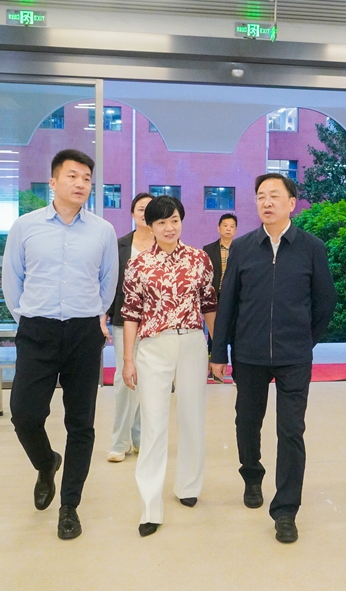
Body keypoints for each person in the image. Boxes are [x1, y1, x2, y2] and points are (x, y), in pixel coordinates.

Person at [210, 173, 337, 544]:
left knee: (291, 431)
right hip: (249, 353)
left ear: (291, 203)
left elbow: (325, 301)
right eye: (261, 196)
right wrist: (219, 351)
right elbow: (228, 302)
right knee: (247, 422)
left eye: (274, 196)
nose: (266, 202)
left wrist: (305, 340)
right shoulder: (243, 247)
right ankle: (252, 475)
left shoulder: (311, 247)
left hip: (294, 355)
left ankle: (285, 510)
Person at [2, 148, 118, 540]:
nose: (81, 183)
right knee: (24, 415)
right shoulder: (25, 226)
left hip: (83, 333)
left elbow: (107, 283)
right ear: (53, 181)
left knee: (80, 423)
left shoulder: (102, 231)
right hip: (37, 330)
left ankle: (69, 506)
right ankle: (46, 462)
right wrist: (28, 318)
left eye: (86, 178)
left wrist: (93, 316)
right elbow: (12, 279)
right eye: (72, 176)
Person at [121, 196, 217, 538]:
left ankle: (188, 486)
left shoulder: (199, 259)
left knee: (192, 415)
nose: (169, 227)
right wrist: (128, 359)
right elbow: (130, 313)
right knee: (153, 423)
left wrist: (219, 349)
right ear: (150, 225)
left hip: (191, 342)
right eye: (161, 222)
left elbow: (209, 305)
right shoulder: (138, 264)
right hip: (153, 346)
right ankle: (150, 505)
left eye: (174, 219)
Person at [104, 192, 154, 462]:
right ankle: (119, 441)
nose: (145, 213)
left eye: (149, 209)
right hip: (124, 320)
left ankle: (139, 437)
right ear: (132, 213)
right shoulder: (120, 245)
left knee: (148, 381)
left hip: (156, 323)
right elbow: (109, 281)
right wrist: (104, 314)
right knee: (126, 380)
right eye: (140, 209)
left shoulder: (165, 244)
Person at [203, 213, 238, 383]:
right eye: (225, 226)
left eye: (232, 226)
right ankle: (214, 371)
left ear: (235, 230)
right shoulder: (208, 249)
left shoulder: (241, 248)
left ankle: (238, 371)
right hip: (215, 295)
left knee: (236, 333)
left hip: (236, 296)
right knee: (214, 332)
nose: (228, 229)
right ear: (219, 228)